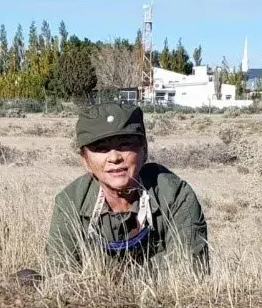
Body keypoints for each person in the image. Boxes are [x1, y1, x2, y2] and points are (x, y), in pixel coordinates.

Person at [46, 102, 209, 273]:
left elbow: (189, 270)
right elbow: (60, 271)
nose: (114, 157)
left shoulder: (175, 195)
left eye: (125, 144)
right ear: (85, 160)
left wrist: (111, 277)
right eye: (101, 148)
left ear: (144, 150)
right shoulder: (71, 201)